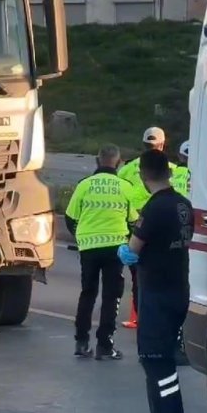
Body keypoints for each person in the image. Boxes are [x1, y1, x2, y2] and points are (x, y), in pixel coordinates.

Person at [118, 150, 192, 413]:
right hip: (177, 290)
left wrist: (123, 252)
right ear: (169, 172)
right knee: (157, 360)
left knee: (156, 362)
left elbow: (133, 248)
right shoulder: (183, 204)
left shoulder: (154, 207)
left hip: (157, 293)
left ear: (144, 175)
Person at [65, 144, 136, 360]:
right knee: (111, 296)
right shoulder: (125, 186)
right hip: (115, 247)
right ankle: (105, 345)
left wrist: (80, 237)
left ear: (97, 161)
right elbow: (134, 220)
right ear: (119, 162)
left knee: (87, 293)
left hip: (88, 247)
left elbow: (70, 217)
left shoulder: (84, 185)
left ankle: (81, 342)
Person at [117, 127, 176, 328]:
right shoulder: (174, 170)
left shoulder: (127, 169)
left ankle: (140, 316)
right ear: (162, 144)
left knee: (139, 277)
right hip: (168, 229)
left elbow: (119, 197)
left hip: (135, 227)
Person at [171, 140, 191, 367]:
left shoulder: (173, 175)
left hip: (170, 239)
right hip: (190, 238)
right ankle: (179, 344)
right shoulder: (201, 177)